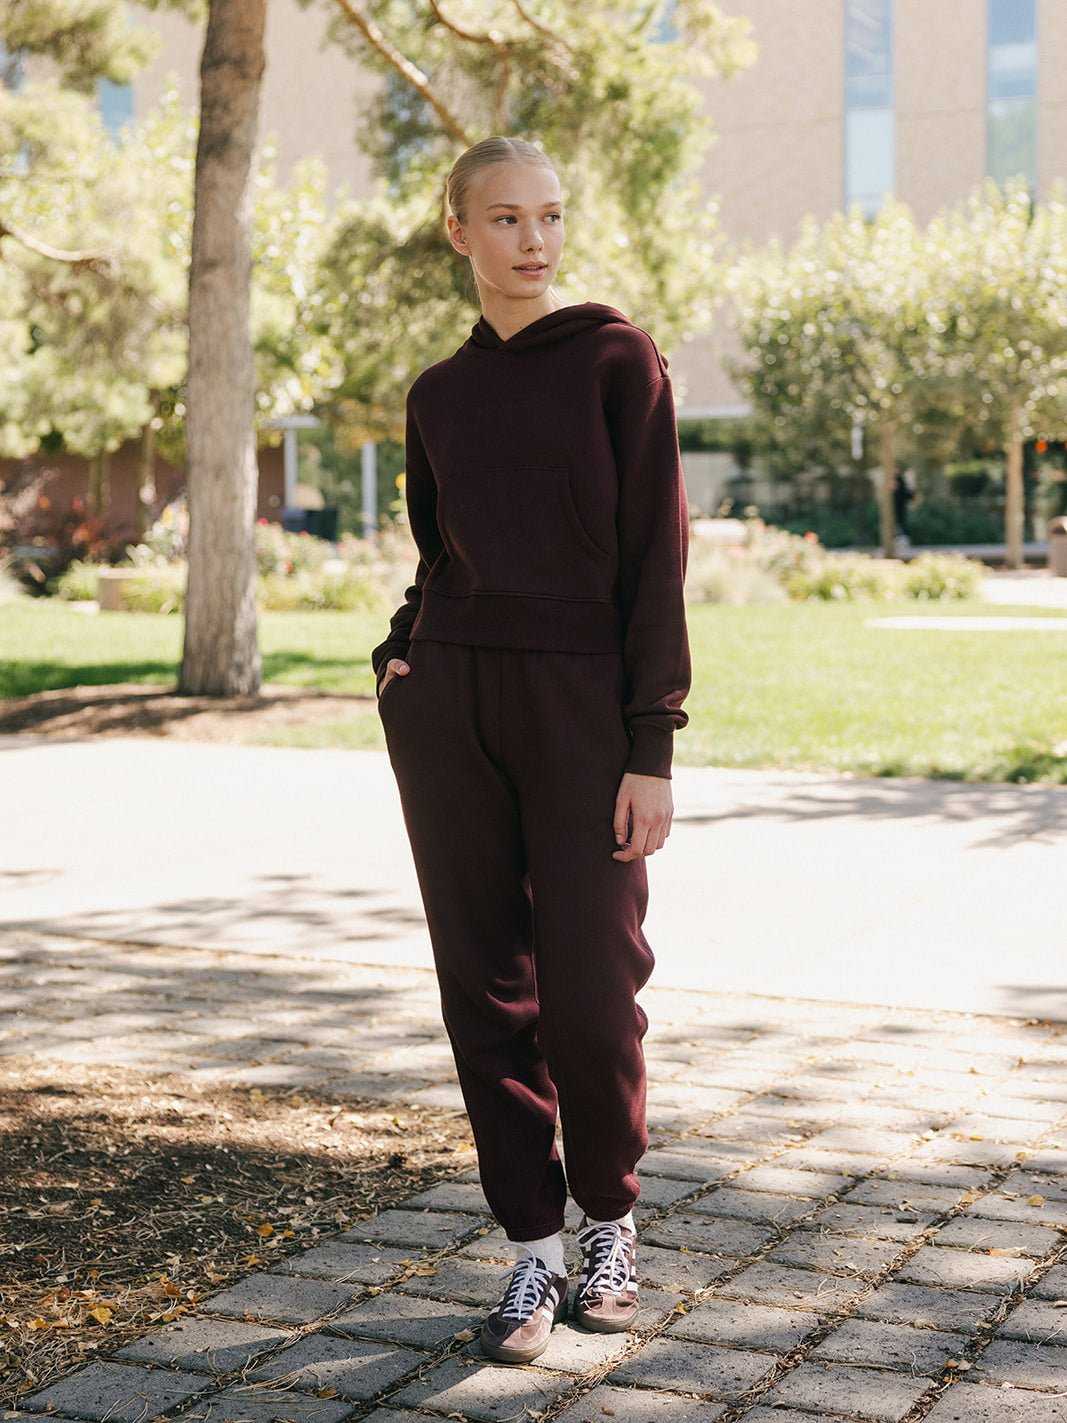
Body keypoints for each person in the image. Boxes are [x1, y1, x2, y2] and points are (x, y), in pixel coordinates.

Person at [371, 135, 692, 1365]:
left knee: (593, 992)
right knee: (481, 987)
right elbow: (436, 545)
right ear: (457, 232)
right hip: (453, 702)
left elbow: (654, 559)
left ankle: (608, 1219)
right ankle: (528, 1248)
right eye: (504, 219)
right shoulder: (437, 394)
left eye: (549, 216)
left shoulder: (617, 360)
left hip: (583, 704)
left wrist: (648, 741)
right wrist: (402, 657)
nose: (533, 241)